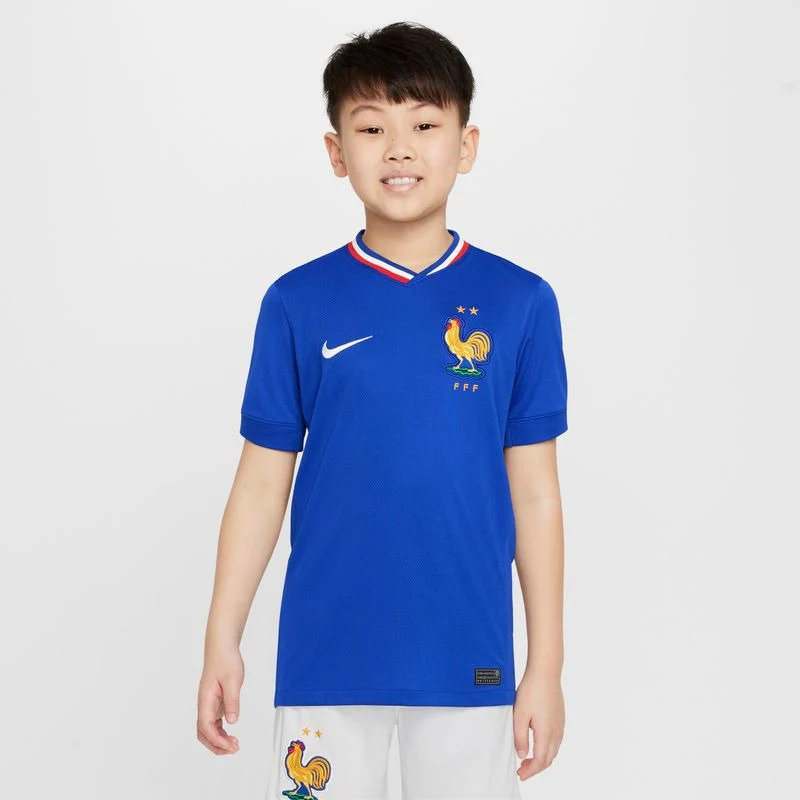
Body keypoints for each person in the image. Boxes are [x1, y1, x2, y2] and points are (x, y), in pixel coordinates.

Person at [197, 20, 569, 799]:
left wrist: (546, 664)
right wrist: (221, 638)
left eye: (424, 125)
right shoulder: (296, 302)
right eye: (372, 129)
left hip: (469, 661)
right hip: (326, 658)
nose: (399, 149)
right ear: (338, 152)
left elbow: (535, 494)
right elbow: (261, 486)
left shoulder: (520, 302)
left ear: (465, 145)